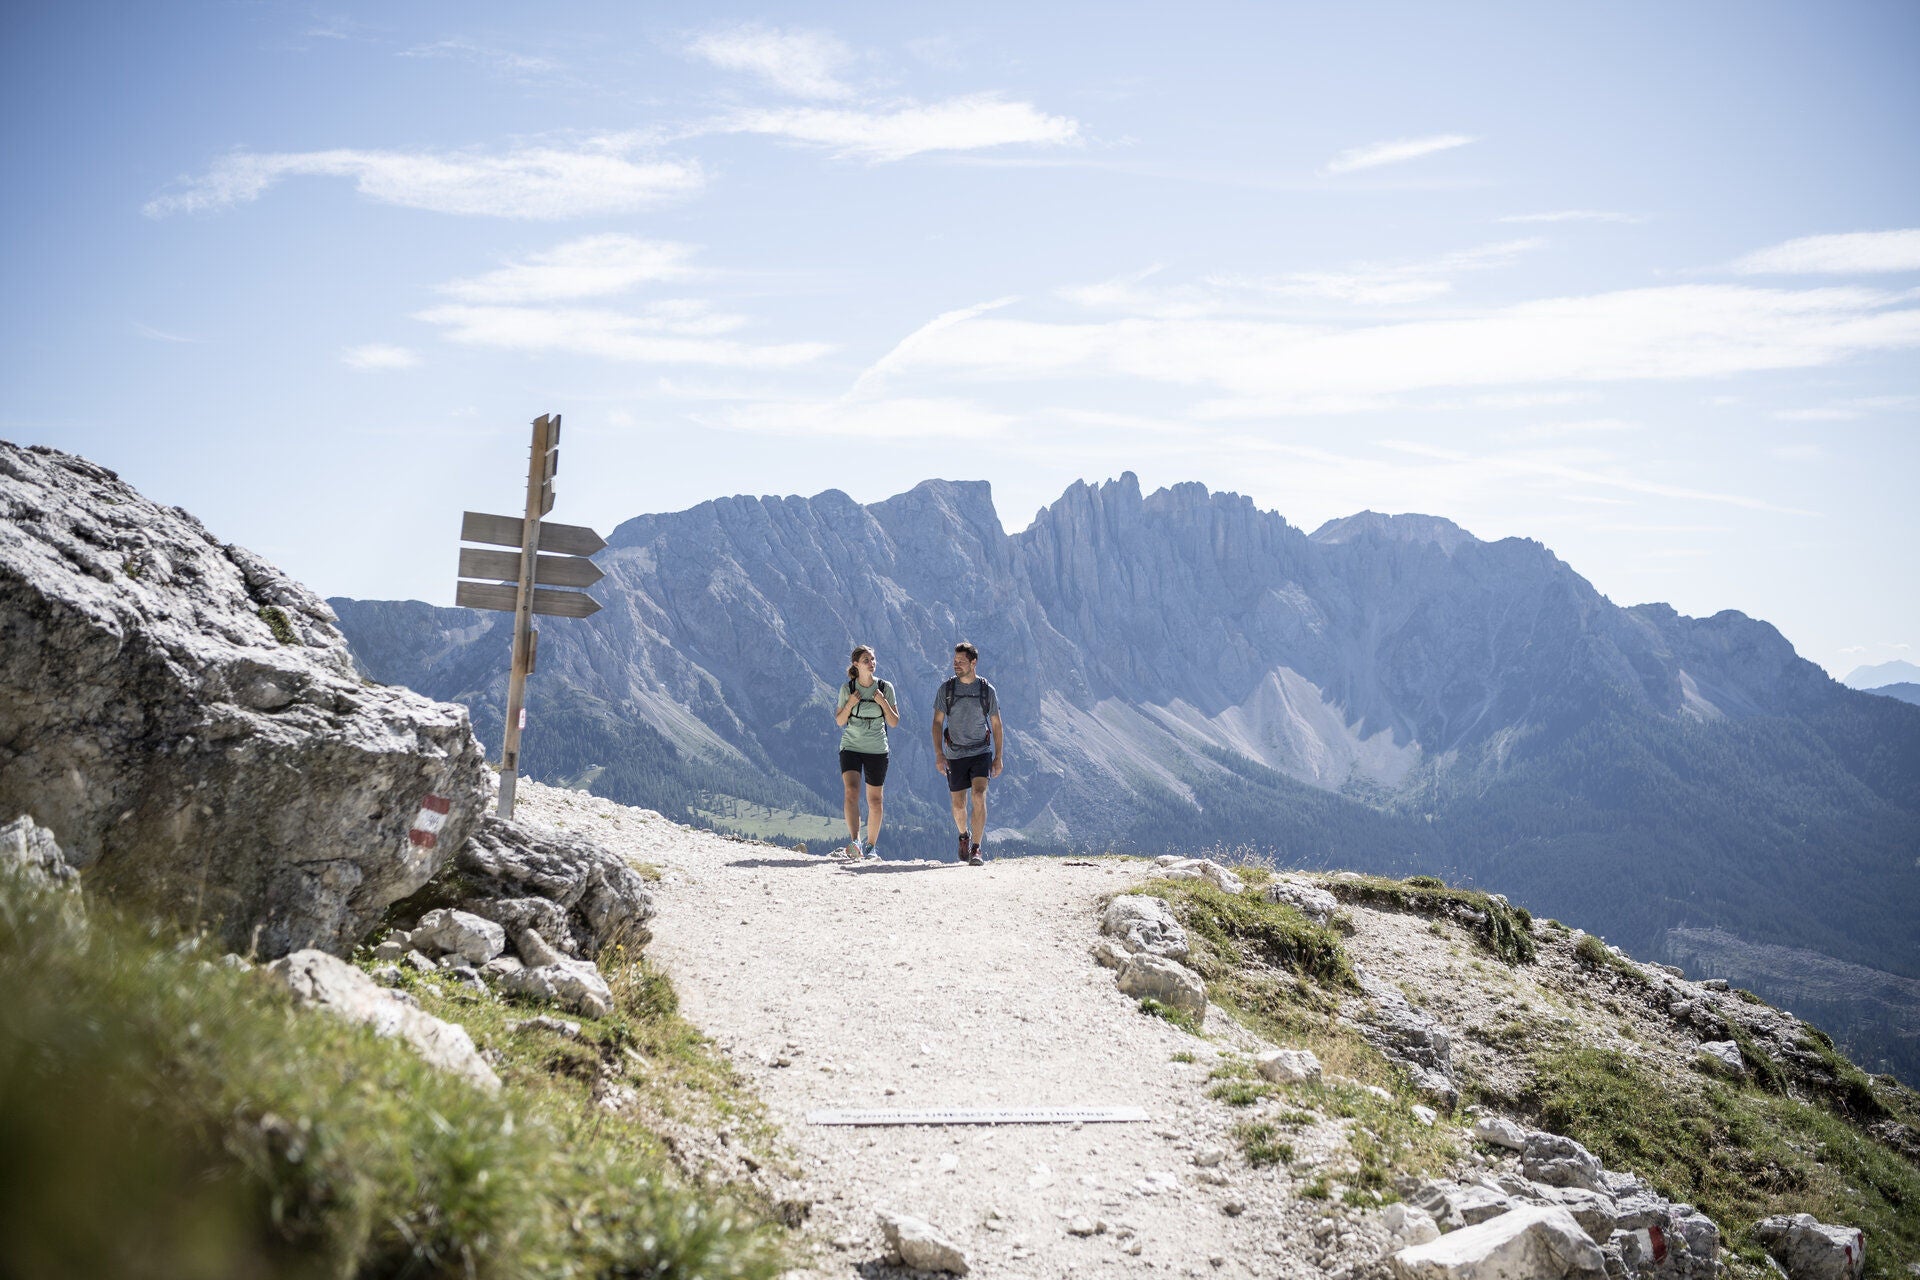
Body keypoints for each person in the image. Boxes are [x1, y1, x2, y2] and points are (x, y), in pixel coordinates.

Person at [930, 640, 1003, 866]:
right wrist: (939, 754)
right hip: (954, 754)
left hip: (981, 751)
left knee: (979, 795)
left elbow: (996, 725)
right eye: (955, 661)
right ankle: (964, 835)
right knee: (958, 805)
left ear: (974, 662)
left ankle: (977, 848)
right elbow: (937, 723)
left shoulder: (986, 690)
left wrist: (998, 757)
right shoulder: (947, 689)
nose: (956, 665)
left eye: (961, 661)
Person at [833, 645, 898, 861]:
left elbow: (894, 722)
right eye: (866, 659)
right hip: (851, 745)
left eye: (873, 659)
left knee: (876, 800)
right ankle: (855, 842)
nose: (871, 662)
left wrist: (883, 702)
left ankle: (871, 846)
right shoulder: (847, 688)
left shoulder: (885, 687)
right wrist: (851, 703)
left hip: (877, 749)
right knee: (851, 791)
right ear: (856, 664)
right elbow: (840, 721)